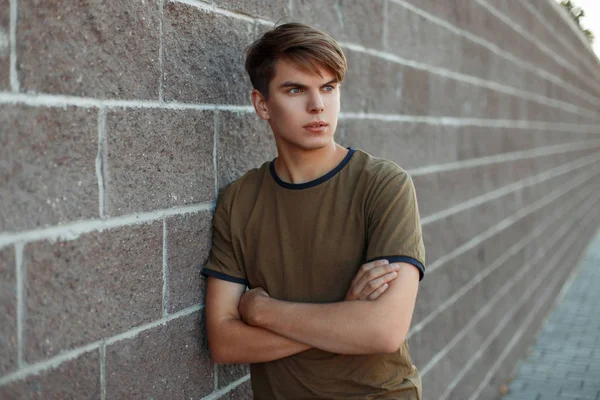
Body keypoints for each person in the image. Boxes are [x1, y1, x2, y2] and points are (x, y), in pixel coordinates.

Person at [202, 22, 426, 400]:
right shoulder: (239, 200)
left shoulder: (383, 185)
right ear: (262, 104)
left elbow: (384, 331)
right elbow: (225, 342)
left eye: (328, 88)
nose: (317, 105)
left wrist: (262, 311)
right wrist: (344, 315)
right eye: (295, 89)